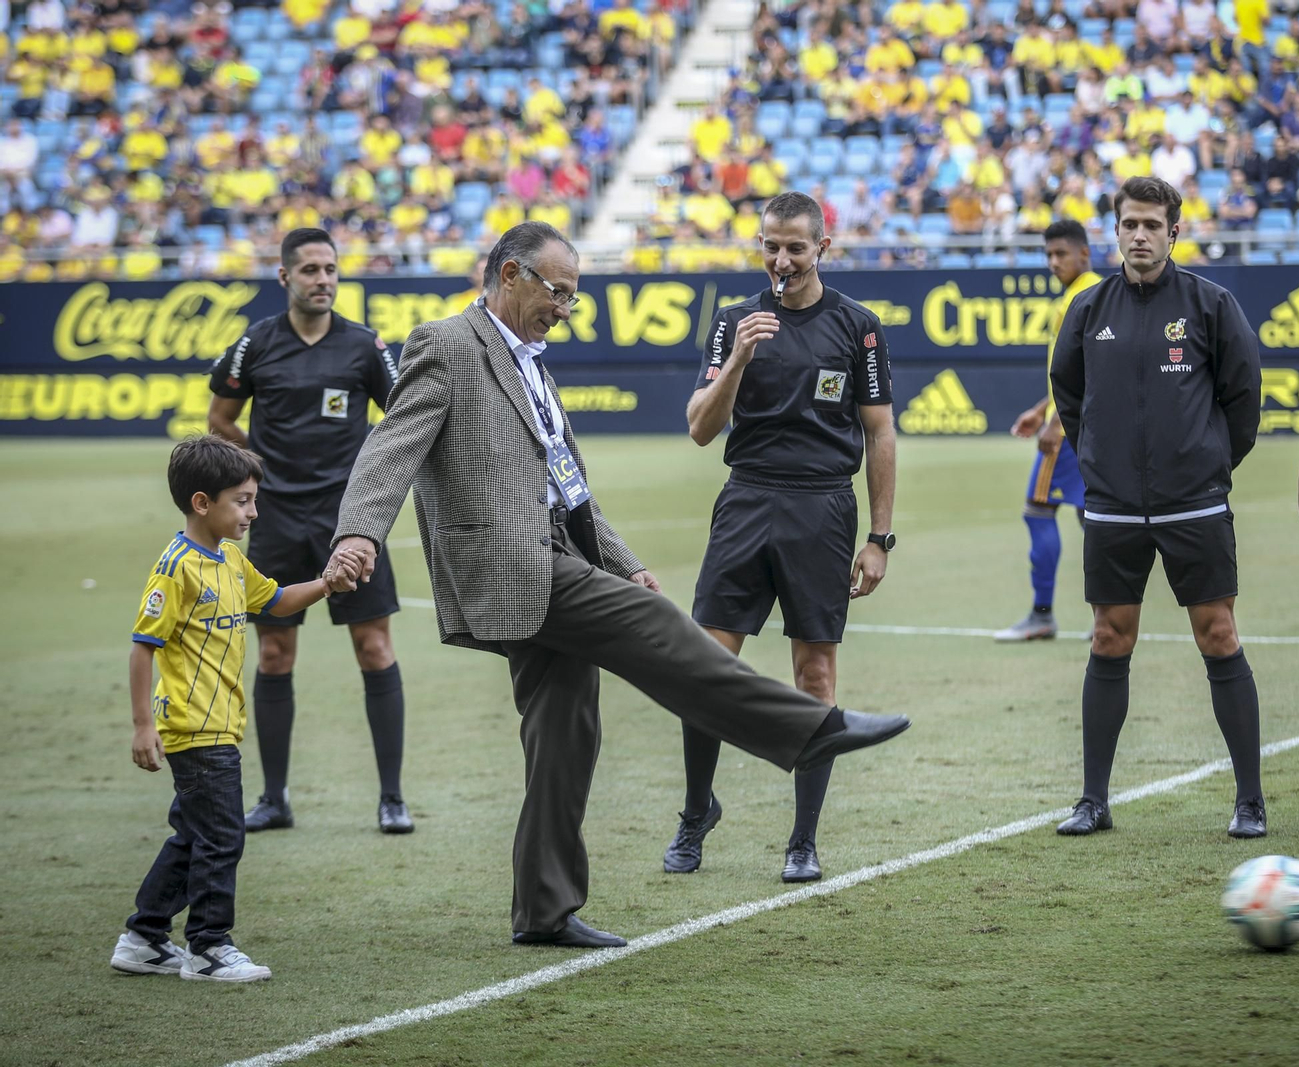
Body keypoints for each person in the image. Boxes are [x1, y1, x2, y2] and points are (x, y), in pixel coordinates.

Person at [325, 222, 909, 949]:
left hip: (555, 558)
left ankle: (544, 908)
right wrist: (358, 531)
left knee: (567, 730)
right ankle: (804, 729)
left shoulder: (532, 361)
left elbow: (569, 490)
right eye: (557, 291)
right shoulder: (445, 345)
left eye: (572, 295)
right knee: (654, 626)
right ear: (511, 275)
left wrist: (623, 559)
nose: (565, 307)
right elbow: (391, 445)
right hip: (512, 564)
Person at [667, 191, 897, 884]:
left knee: (815, 675)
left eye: (796, 246)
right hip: (745, 501)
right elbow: (701, 428)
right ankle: (695, 809)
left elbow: (880, 431)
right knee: (707, 669)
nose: (782, 258)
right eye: (771, 245)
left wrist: (881, 536)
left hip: (823, 510)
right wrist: (737, 358)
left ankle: (803, 839)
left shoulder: (858, 326)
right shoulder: (735, 321)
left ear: (822, 247)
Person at [1049, 176, 1265, 839]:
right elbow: (1068, 389)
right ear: (1114, 231)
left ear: (1175, 231)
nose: (1139, 235)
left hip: (1193, 503)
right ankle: (1093, 799)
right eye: (1128, 224)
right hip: (1113, 506)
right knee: (1109, 638)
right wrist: (1100, 461)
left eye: (1151, 224)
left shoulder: (1210, 303)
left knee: (1218, 634)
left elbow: (1243, 394)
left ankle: (1250, 799)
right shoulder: (1088, 309)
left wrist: (1208, 464)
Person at [113, 437, 354, 983]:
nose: (253, 511)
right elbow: (141, 646)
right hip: (195, 728)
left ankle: (144, 937)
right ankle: (209, 947)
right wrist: (141, 726)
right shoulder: (177, 568)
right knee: (223, 838)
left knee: (195, 835)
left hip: (221, 725)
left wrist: (327, 583)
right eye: (242, 500)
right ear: (203, 503)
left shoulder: (230, 559)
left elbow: (274, 602)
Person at [208, 228, 412, 835]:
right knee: (273, 653)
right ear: (285, 279)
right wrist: (255, 469)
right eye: (310, 271)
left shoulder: (364, 346)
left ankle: (392, 798)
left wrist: (373, 480)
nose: (323, 280)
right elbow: (219, 417)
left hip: (350, 520)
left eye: (331, 269)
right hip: (273, 521)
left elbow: (403, 416)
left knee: (374, 648)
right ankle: (274, 799)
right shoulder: (255, 344)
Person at [996, 219, 1102, 643]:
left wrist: (1055, 424)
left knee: (1037, 510)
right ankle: (1110, 615)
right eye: (1049, 255)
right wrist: (1042, 410)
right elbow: (1072, 369)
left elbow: (1088, 372)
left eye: (1061, 254)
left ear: (1084, 254)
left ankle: (1042, 616)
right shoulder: (1092, 292)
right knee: (1092, 519)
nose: (1053, 262)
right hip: (1087, 427)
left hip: (1072, 430)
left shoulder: (1080, 298)